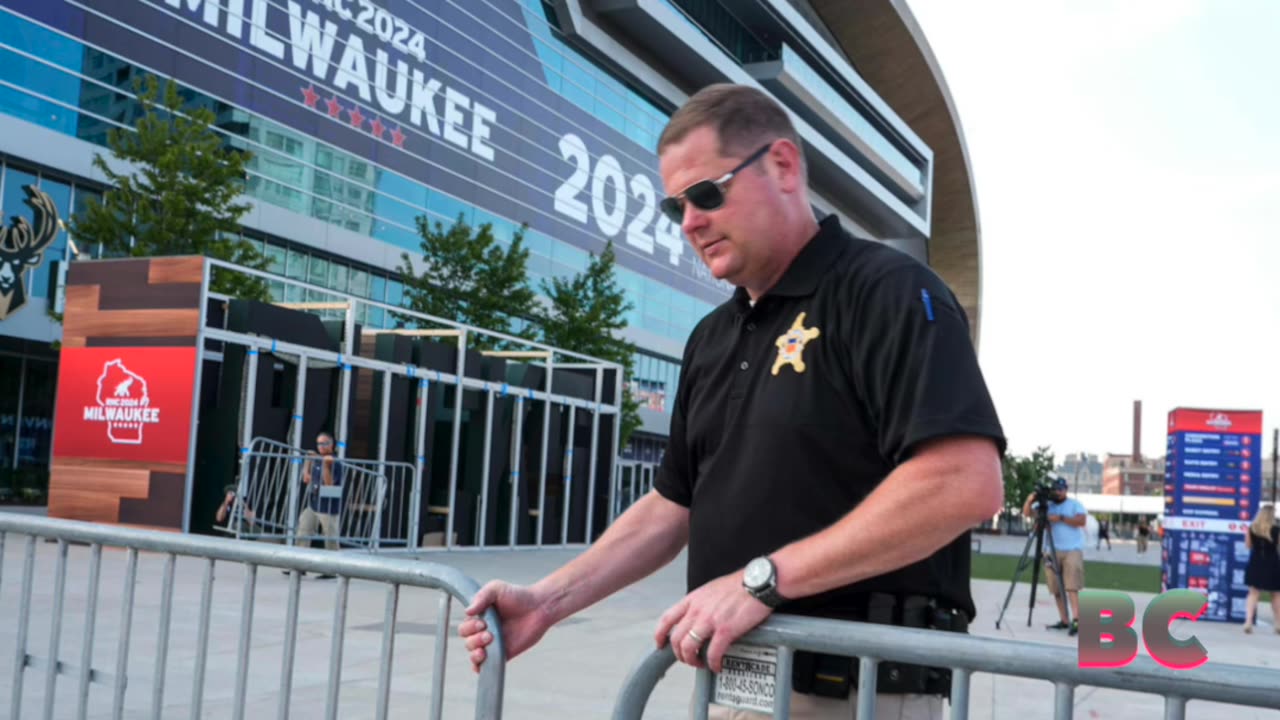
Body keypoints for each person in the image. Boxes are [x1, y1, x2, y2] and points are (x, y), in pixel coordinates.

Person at [459, 83, 1006, 719]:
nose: (690, 220)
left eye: (707, 194)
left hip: (859, 693)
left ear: (782, 166)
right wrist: (548, 601)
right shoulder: (712, 337)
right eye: (675, 207)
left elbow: (963, 482)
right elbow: (673, 503)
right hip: (738, 688)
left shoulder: (885, 290)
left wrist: (763, 580)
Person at [1021, 477, 1087, 636]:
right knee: (1055, 587)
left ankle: (1076, 619)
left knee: (1072, 585)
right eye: (1056, 489)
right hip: (1050, 550)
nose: (1058, 492)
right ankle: (1064, 619)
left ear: (1066, 490)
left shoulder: (1074, 504)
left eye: (1061, 489)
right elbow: (1027, 513)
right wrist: (1030, 499)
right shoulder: (1046, 506)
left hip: (1072, 549)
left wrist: (1061, 518)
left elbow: (1081, 520)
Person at [298, 432, 344, 578]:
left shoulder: (335, 462)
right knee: (303, 530)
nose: (321, 447)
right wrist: (307, 466)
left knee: (330, 537)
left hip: (328, 506)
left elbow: (329, 484)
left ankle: (331, 569)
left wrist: (325, 466)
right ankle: (299, 565)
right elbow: (307, 471)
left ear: (332, 445)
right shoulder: (318, 459)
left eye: (324, 443)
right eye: (319, 443)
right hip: (314, 503)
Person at [1243, 503, 1280, 634]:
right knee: (1275, 594)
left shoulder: (1252, 528)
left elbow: (1248, 545)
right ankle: (1278, 623)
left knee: (1253, 593)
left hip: (1256, 562)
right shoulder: (1276, 529)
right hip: (1273, 563)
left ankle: (1248, 621)